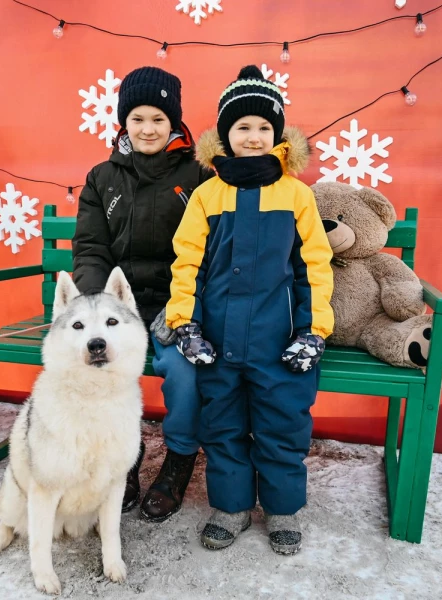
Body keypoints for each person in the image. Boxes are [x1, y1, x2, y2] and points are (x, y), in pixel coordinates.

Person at [166, 66, 335, 555]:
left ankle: (282, 509)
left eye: (264, 127)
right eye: (242, 127)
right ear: (224, 134)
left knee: (282, 425)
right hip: (216, 342)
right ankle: (231, 506)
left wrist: (313, 331)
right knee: (221, 425)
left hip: (279, 342)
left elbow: (315, 268)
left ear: (278, 134)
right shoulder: (206, 195)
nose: (254, 136)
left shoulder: (297, 196)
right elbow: (187, 262)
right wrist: (185, 323)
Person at [72, 66, 212, 522]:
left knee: (183, 370)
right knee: (103, 364)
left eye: (158, 118)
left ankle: (178, 459)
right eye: (138, 119)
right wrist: (100, 309)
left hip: (178, 305)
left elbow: (209, 251)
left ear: (174, 122)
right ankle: (125, 457)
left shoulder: (199, 176)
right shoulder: (102, 178)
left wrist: (183, 308)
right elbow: (92, 248)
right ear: (123, 123)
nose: (148, 128)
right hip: (120, 308)